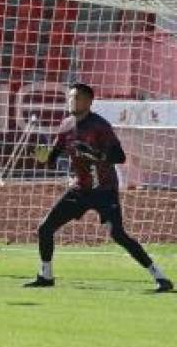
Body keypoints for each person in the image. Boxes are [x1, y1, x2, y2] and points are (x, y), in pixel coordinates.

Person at [25, 82, 172, 292]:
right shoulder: (66, 125)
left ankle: (160, 277)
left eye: (76, 97)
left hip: (104, 190)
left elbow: (119, 157)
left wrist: (96, 155)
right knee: (45, 228)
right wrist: (44, 157)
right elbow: (53, 158)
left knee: (118, 235)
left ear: (88, 101)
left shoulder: (100, 126)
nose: (71, 101)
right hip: (80, 189)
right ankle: (45, 275)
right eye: (70, 97)